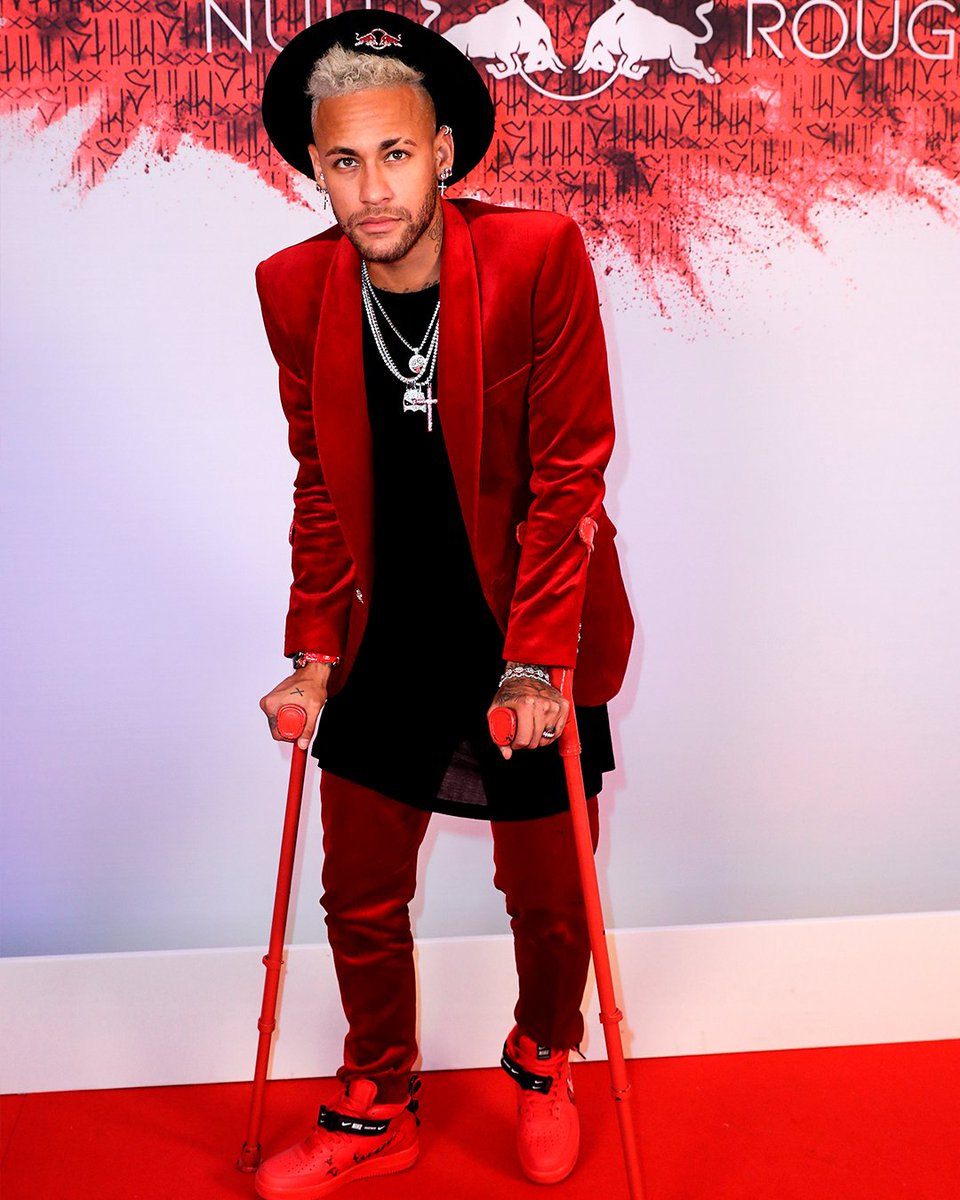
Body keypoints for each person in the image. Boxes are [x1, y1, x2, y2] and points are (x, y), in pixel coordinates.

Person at [253, 9, 633, 1198]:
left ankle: (543, 1060)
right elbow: (319, 481)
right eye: (345, 160)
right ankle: (380, 1100)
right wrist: (315, 648)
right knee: (358, 893)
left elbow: (569, 476)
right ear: (316, 168)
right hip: (390, 633)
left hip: (526, 623)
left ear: (445, 153)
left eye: (397, 154)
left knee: (550, 898)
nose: (372, 188)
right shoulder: (291, 287)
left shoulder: (536, 256)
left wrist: (536, 663)